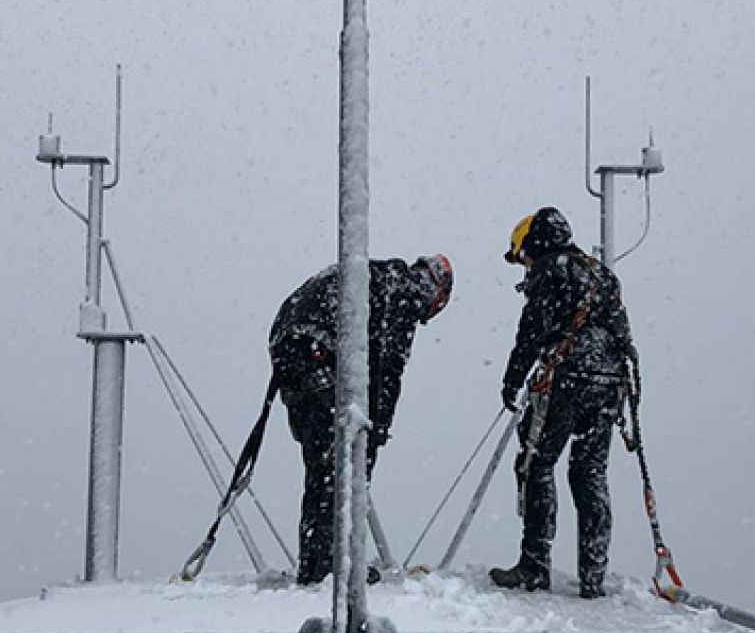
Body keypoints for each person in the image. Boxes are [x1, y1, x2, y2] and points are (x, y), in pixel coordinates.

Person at [270, 255, 453, 584]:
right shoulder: (408, 288)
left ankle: (316, 561)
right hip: (320, 348)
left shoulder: (373, 276)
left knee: (321, 462)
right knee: (344, 463)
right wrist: (380, 424)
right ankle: (331, 565)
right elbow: (389, 364)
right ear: (437, 292)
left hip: (289, 344)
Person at [489, 207, 634, 599]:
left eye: (524, 258)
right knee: (590, 473)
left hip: (567, 377)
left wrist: (511, 379)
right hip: (608, 381)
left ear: (534, 244)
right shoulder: (602, 274)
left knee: (537, 464)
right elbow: (623, 332)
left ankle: (535, 566)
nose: (526, 267)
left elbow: (531, 331)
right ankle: (593, 575)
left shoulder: (551, 270)